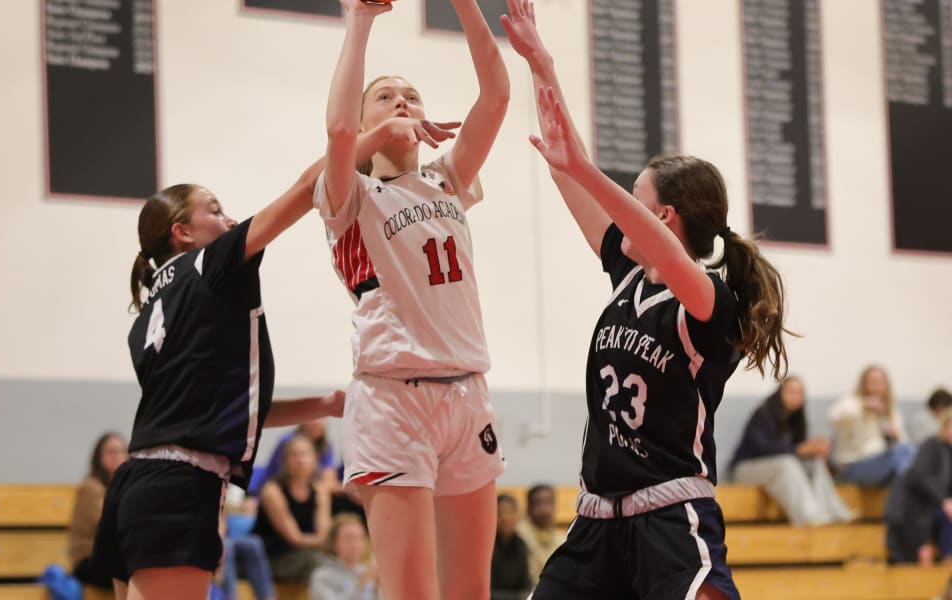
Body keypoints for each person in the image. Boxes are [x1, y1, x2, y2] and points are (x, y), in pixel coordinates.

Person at [504, 1, 793, 597]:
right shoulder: (628, 274)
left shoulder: (710, 302)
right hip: (596, 521)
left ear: (662, 217)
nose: (619, 209)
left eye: (633, 197)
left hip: (670, 519)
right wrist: (541, 64)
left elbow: (656, 242)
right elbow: (565, 167)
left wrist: (588, 171)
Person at [89, 155, 374, 600]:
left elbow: (219, 410)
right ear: (182, 232)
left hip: (137, 486)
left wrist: (325, 405)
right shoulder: (209, 265)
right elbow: (306, 187)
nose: (231, 220)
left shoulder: (147, 316)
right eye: (216, 210)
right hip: (178, 488)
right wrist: (363, 141)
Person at [316, 0, 510, 597]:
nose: (402, 101)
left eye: (412, 96)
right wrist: (360, 22)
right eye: (386, 96)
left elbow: (496, 96)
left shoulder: (448, 178)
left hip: (467, 392)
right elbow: (339, 134)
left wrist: (466, 5)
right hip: (394, 398)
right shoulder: (350, 192)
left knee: (470, 592)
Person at [729, 376, 852, 526]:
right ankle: (809, 516)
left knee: (814, 461)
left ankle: (835, 512)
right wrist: (798, 449)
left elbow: (797, 450)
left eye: (800, 393)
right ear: (780, 392)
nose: (796, 397)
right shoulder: (763, 413)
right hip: (745, 469)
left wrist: (812, 448)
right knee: (787, 463)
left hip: (776, 468)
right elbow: (761, 448)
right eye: (791, 391)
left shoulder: (796, 419)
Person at [253, 436, 332, 582]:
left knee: (336, 562)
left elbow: (324, 532)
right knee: (318, 562)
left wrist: (327, 542)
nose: (300, 460)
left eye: (305, 454)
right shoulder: (272, 490)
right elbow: (294, 538)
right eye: (295, 455)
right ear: (285, 461)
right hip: (274, 558)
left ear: (315, 459)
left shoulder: (320, 489)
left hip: (307, 553)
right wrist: (323, 542)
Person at [829, 365, 916, 486]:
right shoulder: (851, 402)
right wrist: (862, 405)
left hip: (883, 464)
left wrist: (895, 434)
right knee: (902, 454)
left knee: (910, 450)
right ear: (863, 384)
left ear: (886, 386)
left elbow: (904, 447)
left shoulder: (891, 411)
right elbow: (833, 416)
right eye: (873, 382)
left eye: (880, 383)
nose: (876, 387)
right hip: (853, 464)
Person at [885, 410, 952, 564]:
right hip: (918, 507)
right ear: (945, 426)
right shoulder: (932, 445)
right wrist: (944, 501)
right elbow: (921, 477)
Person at [69, 432, 129, 589]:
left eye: (121, 451)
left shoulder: (124, 487)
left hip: (110, 556)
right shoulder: (91, 488)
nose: (117, 456)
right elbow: (106, 527)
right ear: (99, 456)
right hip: (88, 559)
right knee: (131, 570)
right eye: (111, 451)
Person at [249, 417, 342, 497]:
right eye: (313, 418)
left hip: (307, 493)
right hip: (280, 491)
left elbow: (329, 481)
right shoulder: (289, 441)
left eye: (322, 418)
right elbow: (290, 478)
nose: (316, 423)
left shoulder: (325, 446)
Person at [309, 513, 379, 600]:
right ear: (334, 543)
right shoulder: (322, 577)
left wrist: (379, 589)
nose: (355, 544)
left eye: (359, 538)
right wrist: (361, 586)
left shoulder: (366, 571)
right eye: (349, 538)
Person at [515, 484, 563, 584]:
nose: (544, 509)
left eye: (548, 503)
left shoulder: (562, 539)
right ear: (528, 508)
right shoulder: (518, 535)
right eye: (538, 503)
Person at [491, 494, 532, 600]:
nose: (505, 517)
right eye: (500, 513)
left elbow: (525, 584)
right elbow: (487, 592)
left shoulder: (521, 545)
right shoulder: (488, 547)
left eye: (510, 512)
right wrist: (518, 597)